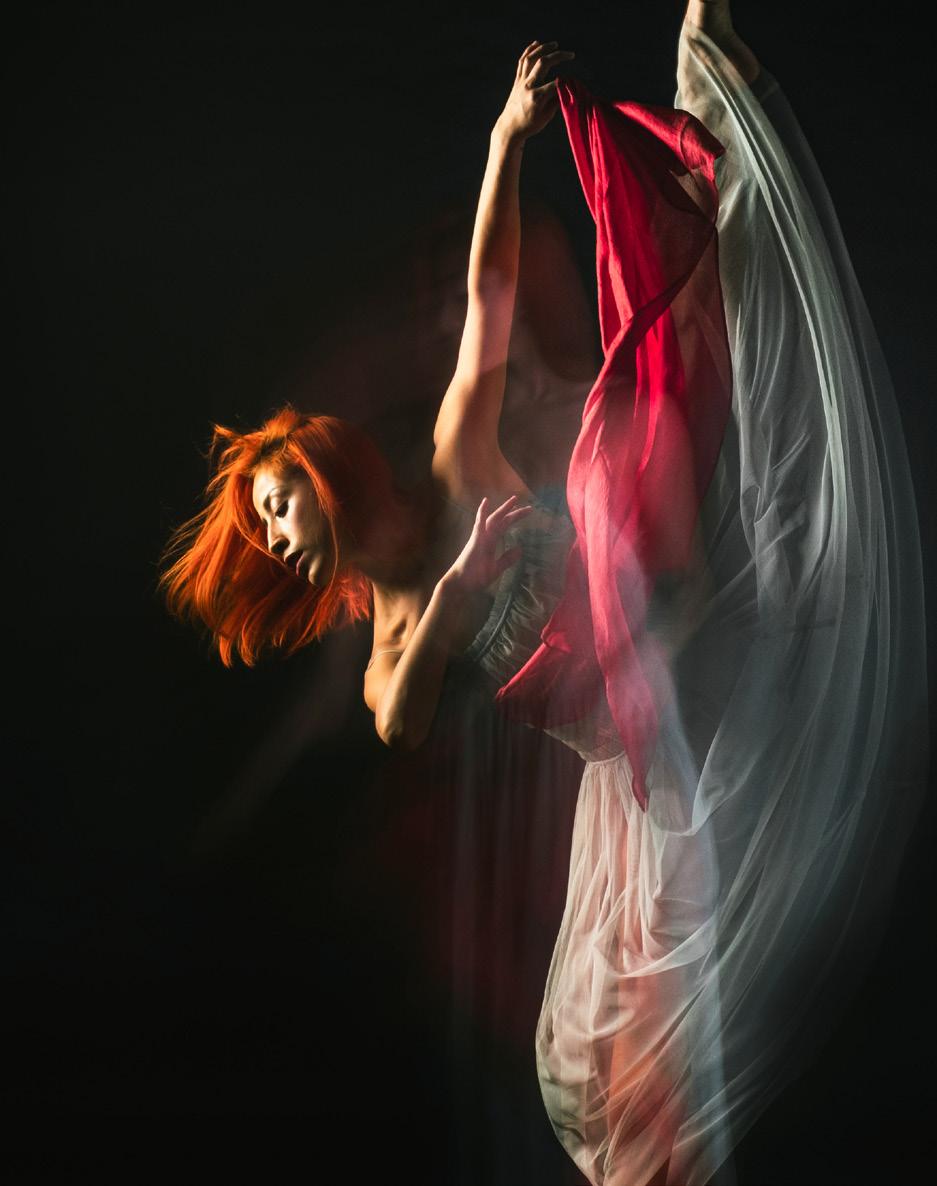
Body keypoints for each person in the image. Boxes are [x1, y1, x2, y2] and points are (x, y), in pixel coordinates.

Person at [160, 5, 928, 1184]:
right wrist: (460, 588)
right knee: (592, 1064)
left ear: (316, 468)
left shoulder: (456, 459)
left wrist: (507, 139)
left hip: (668, 652)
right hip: (627, 768)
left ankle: (710, 76)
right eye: (267, 537)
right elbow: (401, 717)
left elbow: (488, 297)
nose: (278, 540)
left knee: (672, 375)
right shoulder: (389, 647)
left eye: (273, 507)